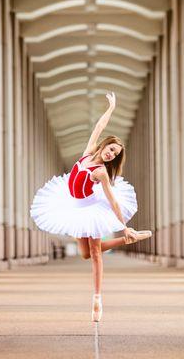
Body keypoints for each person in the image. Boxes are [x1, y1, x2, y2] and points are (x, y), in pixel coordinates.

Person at [30, 92, 152, 322]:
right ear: (104, 145)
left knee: (95, 254)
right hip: (71, 205)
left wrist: (123, 226)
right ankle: (129, 239)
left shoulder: (101, 173)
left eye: (114, 154)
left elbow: (113, 201)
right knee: (85, 254)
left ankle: (97, 299)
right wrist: (112, 107)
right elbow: (99, 127)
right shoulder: (87, 153)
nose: (110, 153)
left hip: (90, 209)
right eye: (110, 148)